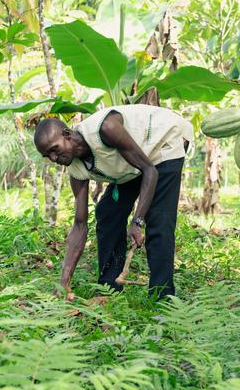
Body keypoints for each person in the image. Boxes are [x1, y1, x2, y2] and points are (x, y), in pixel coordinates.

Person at [33, 104, 193, 299]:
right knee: (107, 213)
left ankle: (163, 297)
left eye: (54, 149)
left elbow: (150, 171)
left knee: (159, 220)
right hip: (135, 161)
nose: (53, 158)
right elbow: (80, 224)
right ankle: (109, 289)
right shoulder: (76, 169)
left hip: (165, 141)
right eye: (47, 155)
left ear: (67, 134)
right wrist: (64, 281)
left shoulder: (105, 128)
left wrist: (137, 221)